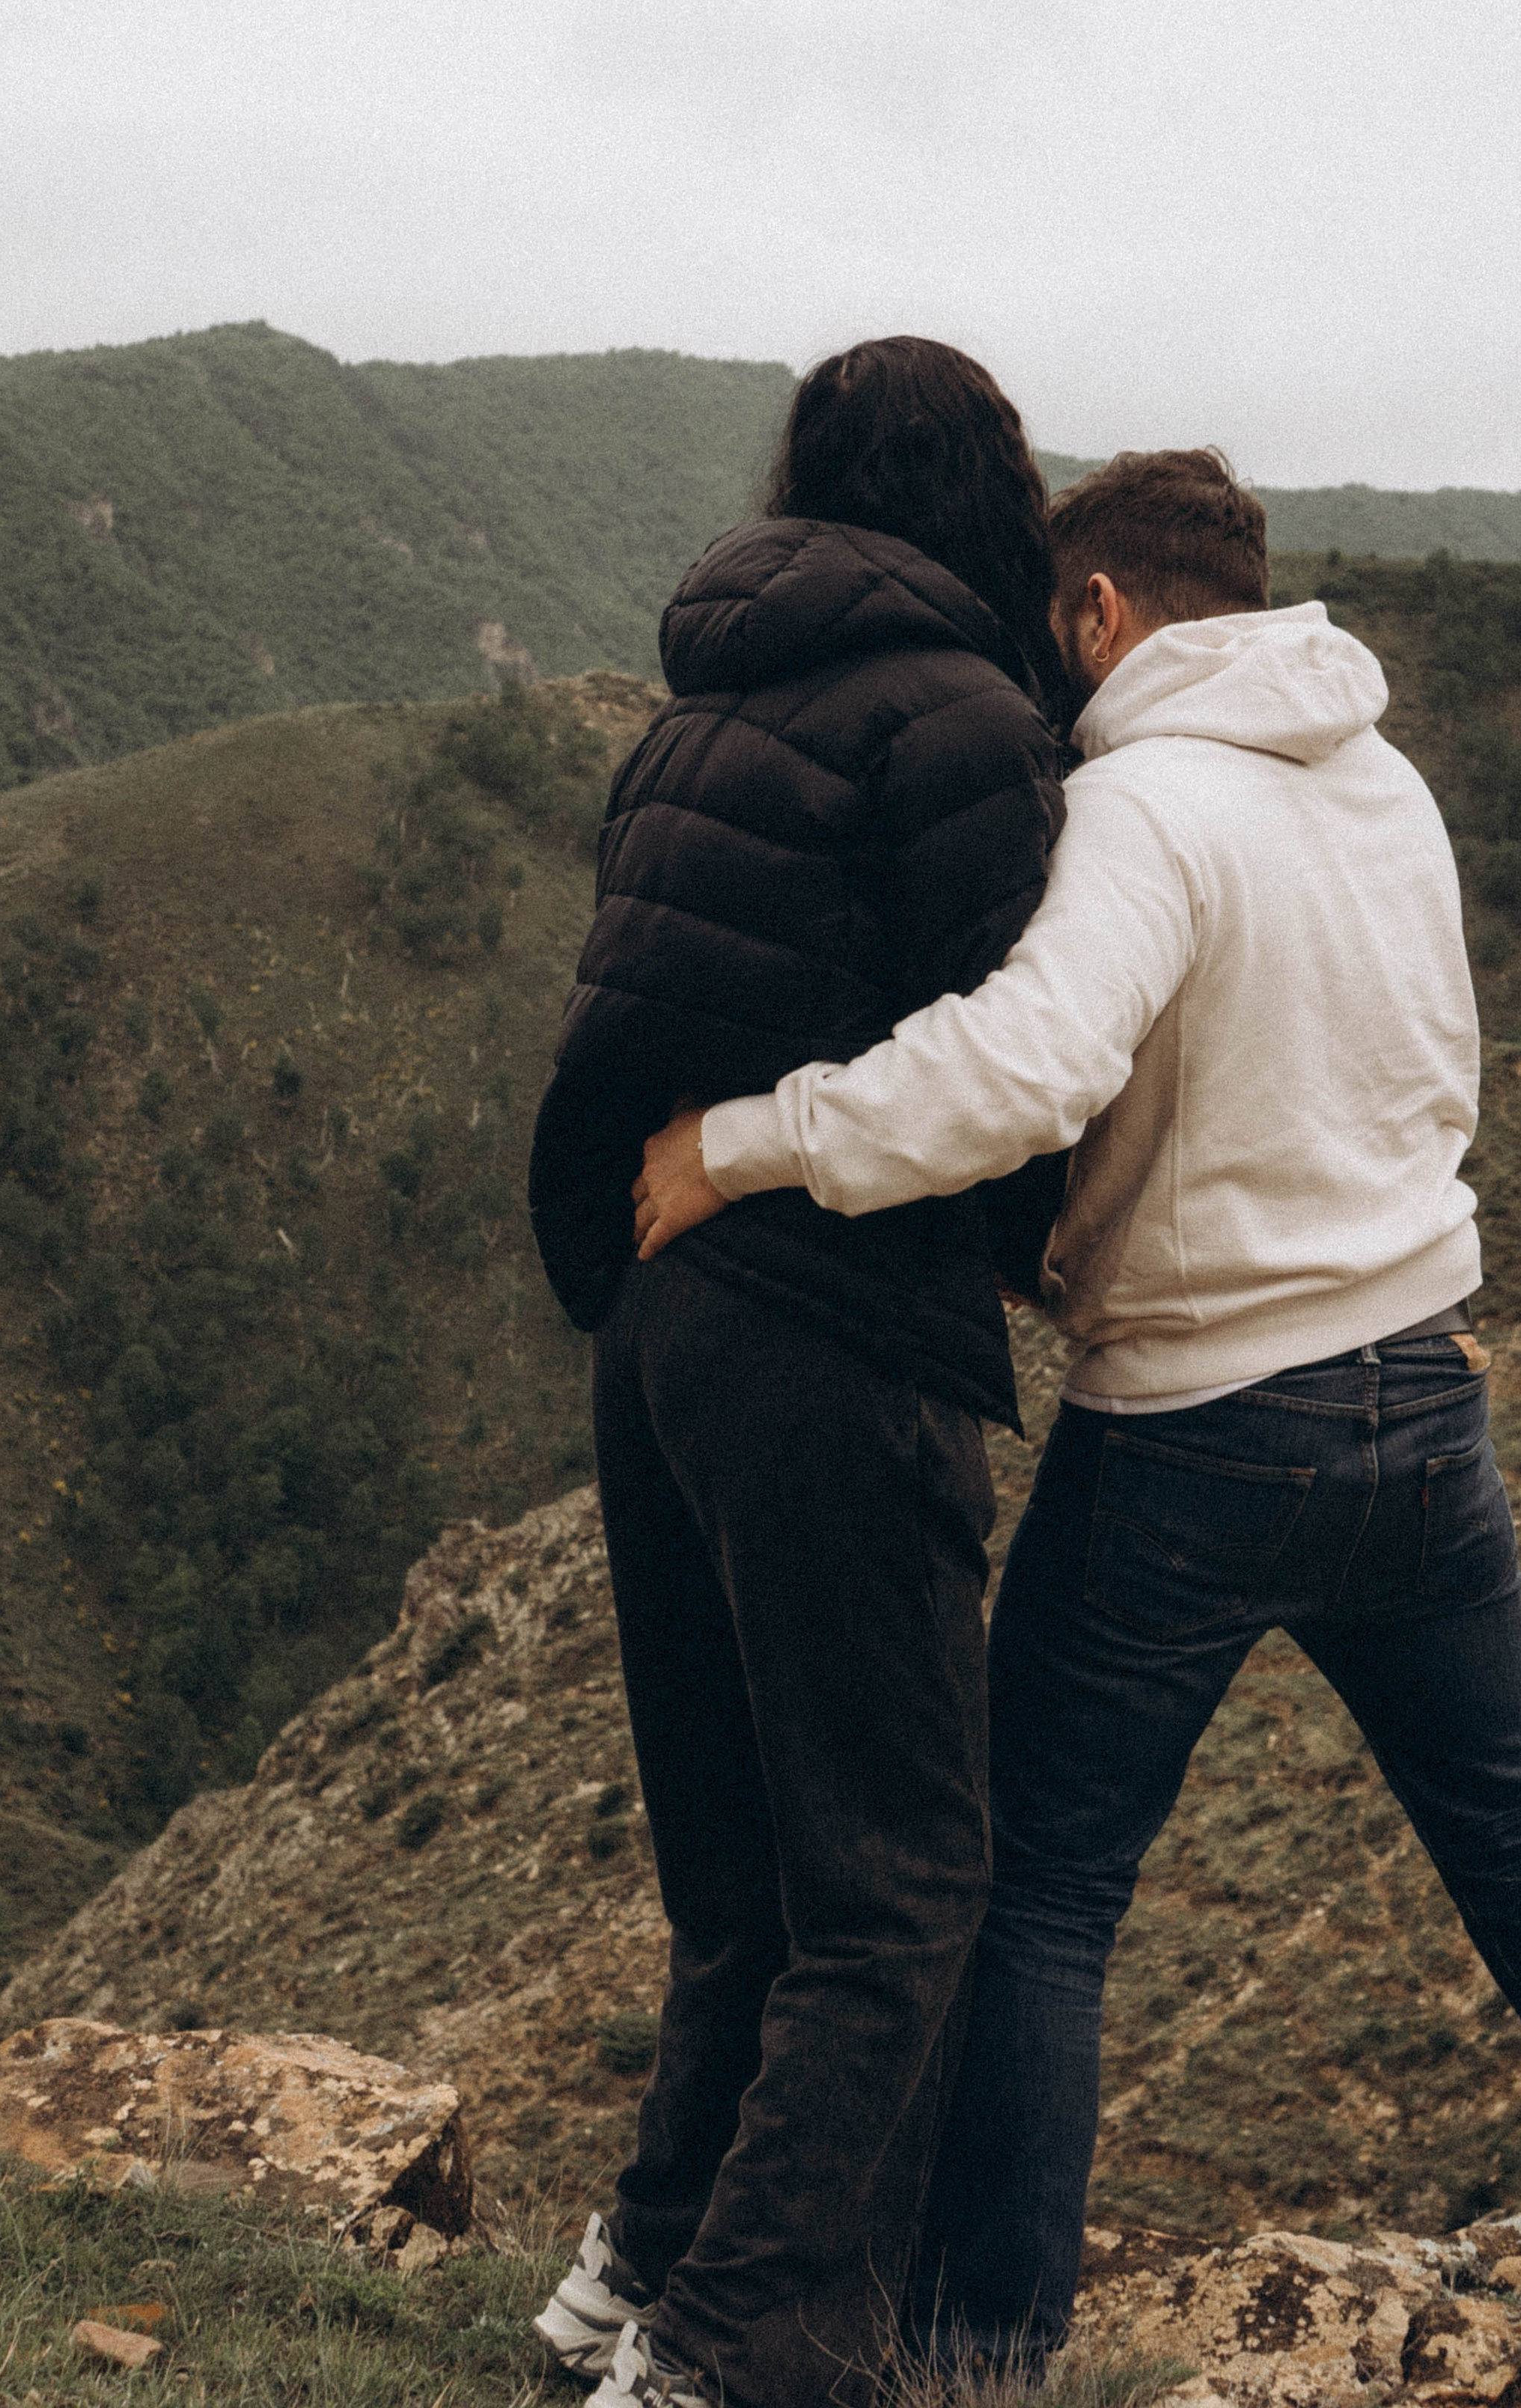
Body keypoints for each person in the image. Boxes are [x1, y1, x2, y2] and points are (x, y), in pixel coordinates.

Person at [632, 447, 1521, 2373]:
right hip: (1423, 1400)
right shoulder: (1385, 782)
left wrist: (749, 1144)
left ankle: (982, 2351)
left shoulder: (1142, 803)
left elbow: (1018, 1066)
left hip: (1195, 1431)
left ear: (1094, 613)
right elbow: (1412, 1072)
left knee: (1035, 1889)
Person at [526, 337, 1073, 2408]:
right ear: (990, 494)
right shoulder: (963, 721)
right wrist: (1030, 1275)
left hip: (661, 1311)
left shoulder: (699, 707)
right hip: (837, 1326)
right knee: (902, 1881)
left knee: (740, 1876)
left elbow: (624, 1017)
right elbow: (1005, 1062)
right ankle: (729, 2357)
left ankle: (632, 2271)